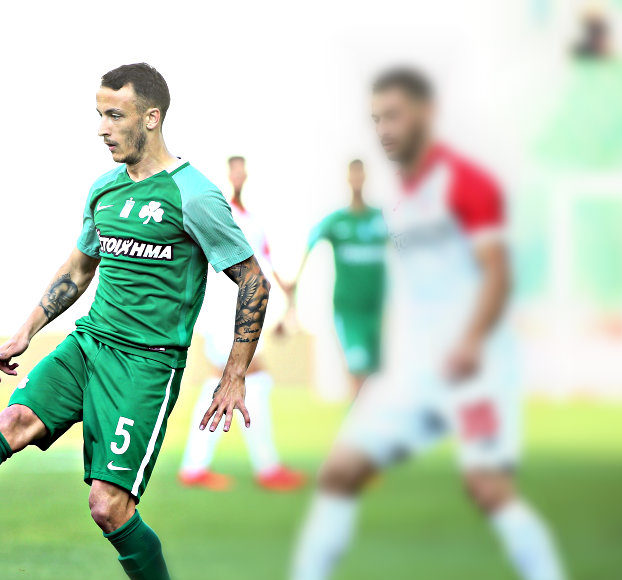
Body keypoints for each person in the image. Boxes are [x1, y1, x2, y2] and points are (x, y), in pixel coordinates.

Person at [0, 63, 271, 580]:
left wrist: (234, 374)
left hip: (146, 365)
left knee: (108, 507)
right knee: (13, 421)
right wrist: (24, 333)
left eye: (114, 115)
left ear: (151, 118)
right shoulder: (104, 191)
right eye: (99, 115)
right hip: (88, 345)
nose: (102, 128)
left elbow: (254, 281)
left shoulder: (194, 196)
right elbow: (77, 271)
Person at [291, 68, 565, 580]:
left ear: (427, 113)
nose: (384, 129)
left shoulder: (466, 183)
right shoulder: (400, 199)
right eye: (376, 118)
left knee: (489, 488)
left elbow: (498, 274)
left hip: (475, 373)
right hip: (415, 374)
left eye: (393, 115)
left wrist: (470, 343)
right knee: (339, 473)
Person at [178, 156, 305, 492]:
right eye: (232, 171)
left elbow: (263, 262)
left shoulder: (252, 220)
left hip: (244, 309)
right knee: (251, 376)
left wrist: (288, 296)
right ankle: (264, 468)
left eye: (241, 171)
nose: (238, 176)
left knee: (230, 379)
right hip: (223, 311)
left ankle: (197, 466)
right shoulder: (215, 212)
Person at [287, 159, 387, 396]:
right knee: (357, 372)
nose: (357, 179)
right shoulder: (337, 221)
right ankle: (359, 416)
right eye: (353, 174)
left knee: (375, 379)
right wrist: (295, 281)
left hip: (376, 309)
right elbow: (311, 241)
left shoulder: (380, 218)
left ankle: (366, 416)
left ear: (365, 177)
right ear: (348, 178)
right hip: (348, 309)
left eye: (360, 174)